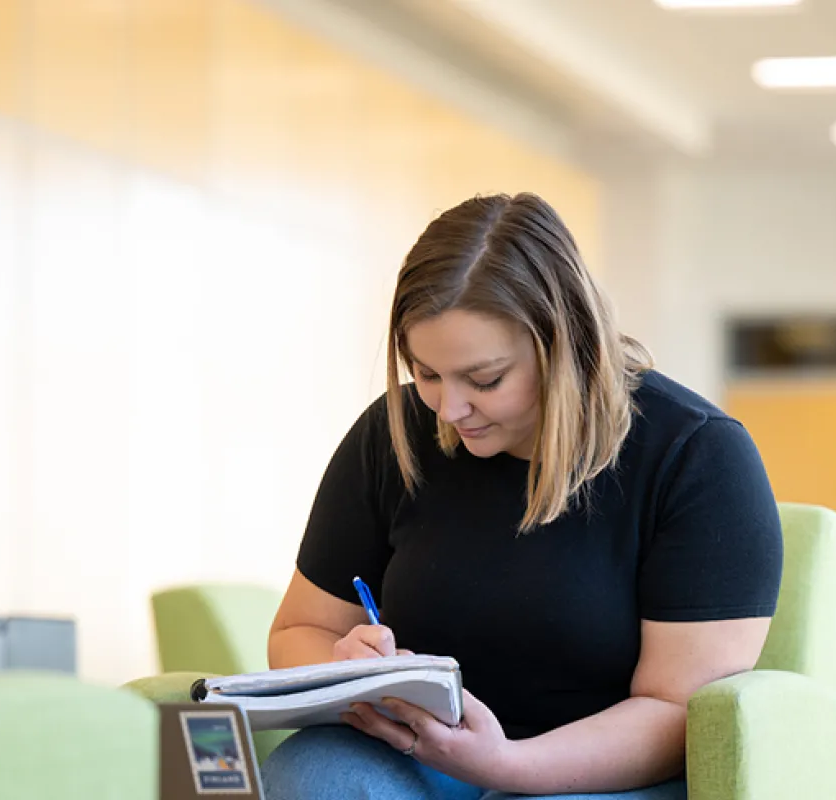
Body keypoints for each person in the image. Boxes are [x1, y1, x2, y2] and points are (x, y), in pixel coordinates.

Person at [260, 192, 784, 799]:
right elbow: (299, 630)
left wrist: (505, 767)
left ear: (564, 346)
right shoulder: (394, 432)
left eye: (484, 380)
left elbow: (675, 710)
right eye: (427, 373)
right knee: (310, 781)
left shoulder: (698, 457)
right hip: (417, 750)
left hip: (606, 773)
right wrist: (346, 669)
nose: (449, 410)